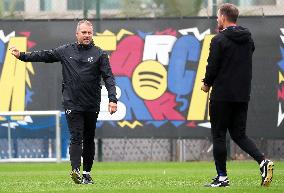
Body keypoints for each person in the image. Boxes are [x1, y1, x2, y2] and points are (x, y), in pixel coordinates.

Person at [10, 20, 118, 184]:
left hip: (91, 103)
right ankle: (75, 170)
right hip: (72, 103)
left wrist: (112, 99)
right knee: (76, 136)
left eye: (89, 32)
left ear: (92, 34)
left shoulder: (100, 54)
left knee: (89, 138)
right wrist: (22, 56)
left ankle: (87, 173)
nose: (87, 35)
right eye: (83, 32)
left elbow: (109, 77)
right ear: (77, 34)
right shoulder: (65, 51)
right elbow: (44, 55)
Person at [201, 3, 274, 187]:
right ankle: (263, 161)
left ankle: (222, 178)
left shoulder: (218, 40)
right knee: (239, 135)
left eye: (218, 17)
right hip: (242, 95)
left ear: (224, 17)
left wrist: (206, 83)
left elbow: (213, 66)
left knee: (218, 135)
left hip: (222, 95)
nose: (217, 19)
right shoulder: (248, 39)